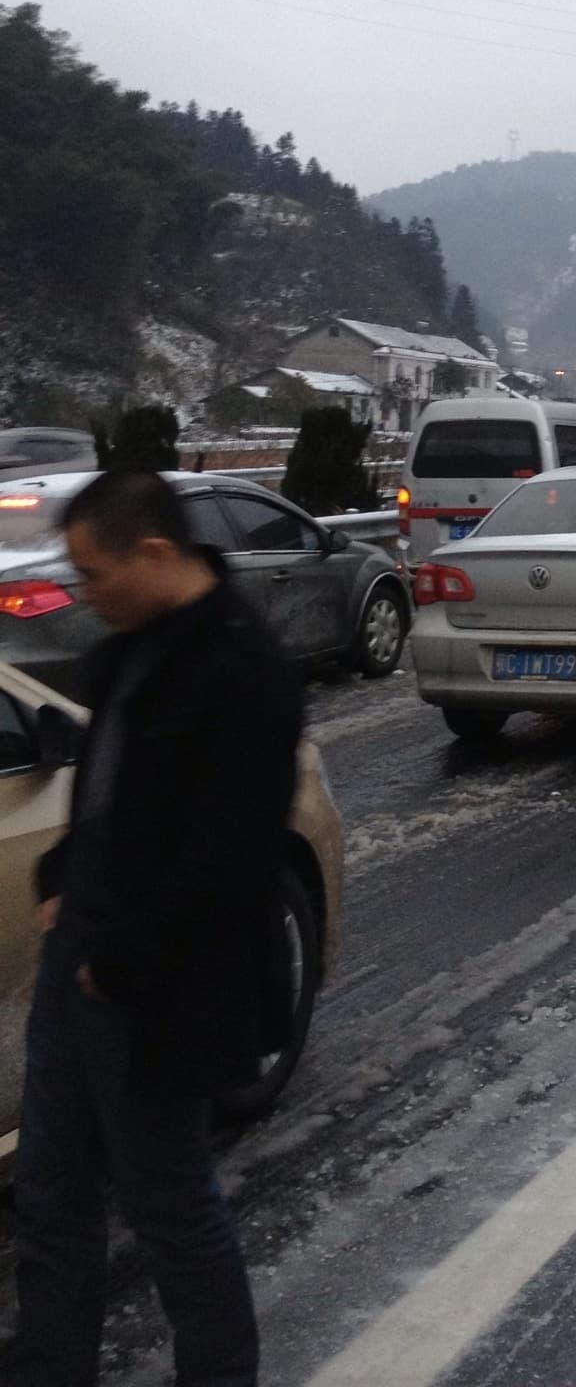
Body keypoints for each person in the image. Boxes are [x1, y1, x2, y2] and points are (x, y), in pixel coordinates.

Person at [12, 471, 302, 1387]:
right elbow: (107, 798)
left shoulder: (243, 670)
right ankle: (53, 1363)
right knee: (51, 1188)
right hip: (84, 962)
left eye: (94, 574)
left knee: (168, 1203)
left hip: (159, 990)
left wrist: (126, 962)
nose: (84, 594)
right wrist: (63, 879)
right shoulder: (131, 647)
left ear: (155, 552)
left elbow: (231, 858)